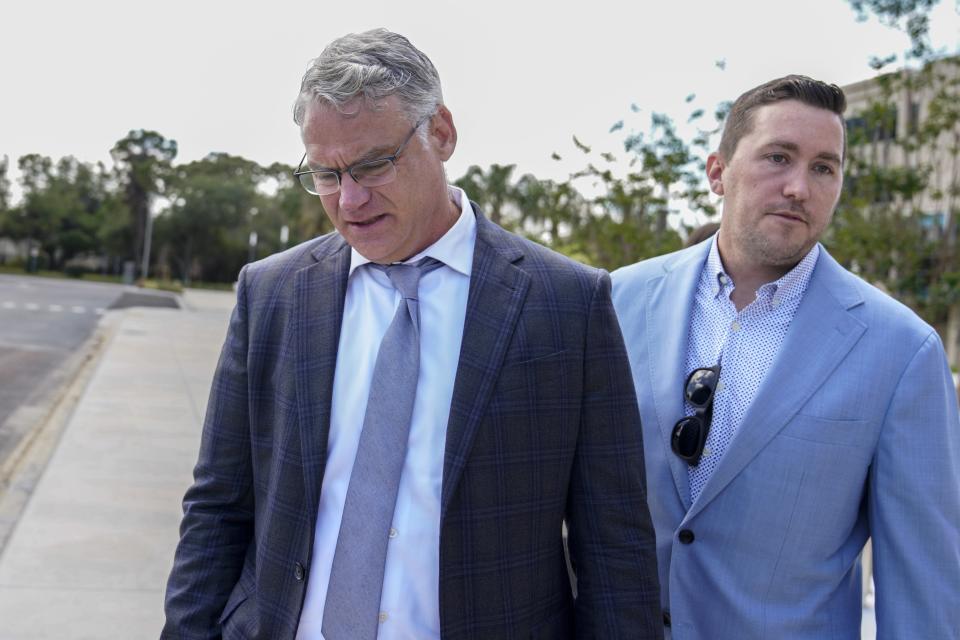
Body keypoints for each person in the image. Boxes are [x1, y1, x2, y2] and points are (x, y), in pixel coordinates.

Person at [162, 28, 661, 640]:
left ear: (442, 133)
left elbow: (614, 545)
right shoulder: (272, 293)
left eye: (374, 163)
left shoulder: (567, 303)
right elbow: (218, 506)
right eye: (325, 173)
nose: (349, 199)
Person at [611, 75, 960, 638]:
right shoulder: (615, 301)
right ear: (717, 173)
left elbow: (924, 588)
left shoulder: (903, 351)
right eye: (778, 157)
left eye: (824, 167)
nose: (800, 186)